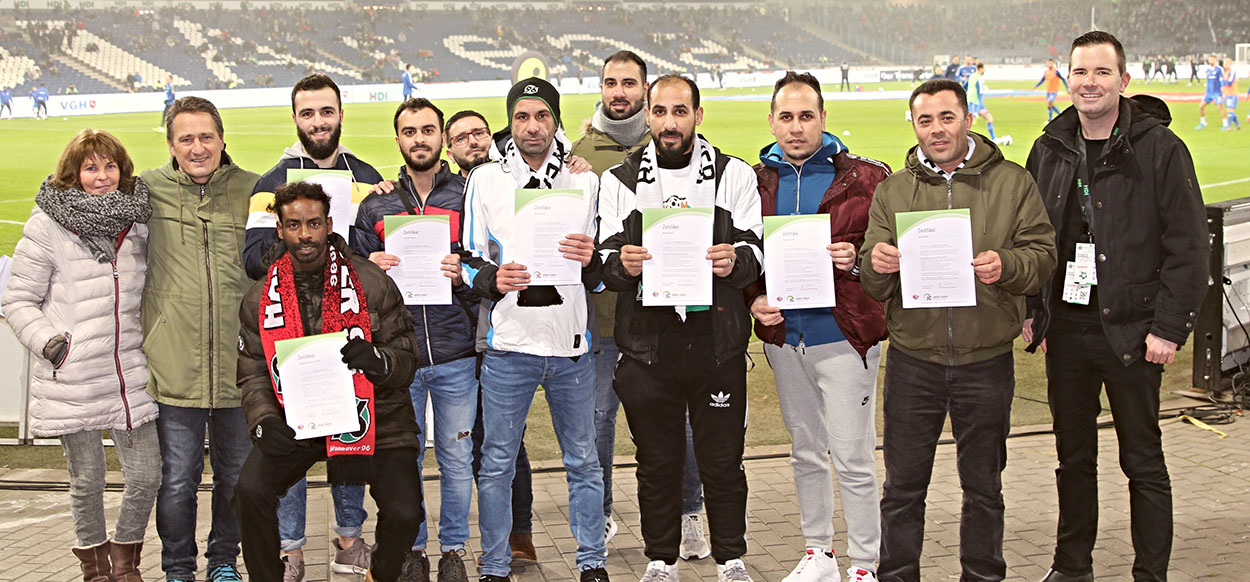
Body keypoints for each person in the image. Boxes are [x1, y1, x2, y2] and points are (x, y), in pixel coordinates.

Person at [1023, 31, 1208, 582]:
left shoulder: (1160, 148)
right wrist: (1037, 311)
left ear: (1123, 81)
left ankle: (1150, 573)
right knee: (1072, 461)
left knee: (1142, 462)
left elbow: (1189, 246)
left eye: (1102, 73)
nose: (1089, 83)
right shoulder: (1049, 146)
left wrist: (1169, 328)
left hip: (1134, 333)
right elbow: (1033, 238)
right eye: (1080, 73)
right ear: (1068, 79)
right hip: (1069, 333)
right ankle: (1071, 566)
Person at [858, 78, 1056, 582]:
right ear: (914, 125)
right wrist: (877, 263)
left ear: (968, 119)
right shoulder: (893, 190)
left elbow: (1043, 256)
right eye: (925, 120)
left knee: (984, 487)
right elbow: (871, 276)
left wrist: (1006, 265)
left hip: (985, 359)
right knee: (902, 488)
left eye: (947, 117)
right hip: (913, 361)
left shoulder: (1012, 182)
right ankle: (898, 575)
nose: (937, 129)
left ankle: (983, 575)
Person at [598, 74, 762, 582]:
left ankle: (731, 557)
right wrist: (623, 265)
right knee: (657, 461)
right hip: (649, 345)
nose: (670, 123)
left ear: (698, 115)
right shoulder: (620, 180)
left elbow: (755, 254)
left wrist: (732, 262)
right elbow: (604, 265)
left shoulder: (733, 174)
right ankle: (660, 558)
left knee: (722, 459)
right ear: (648, 115)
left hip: (716, 340)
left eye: (681, 112)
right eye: (661, 112)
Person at [233, 182, 424, 582]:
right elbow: (252, 369)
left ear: (329, 224)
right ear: (280, 230)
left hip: (377, 414)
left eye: (314, 223)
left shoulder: (371, 281)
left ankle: (382, 573)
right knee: (250, 493)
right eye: (295, 225)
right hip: (298, 417)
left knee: (406, 511)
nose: (306, 234)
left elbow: (407, 358)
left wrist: (377, 360)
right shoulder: (259, 297)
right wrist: (264, 419)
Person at [461, 77, 608, 582]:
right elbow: (464, 259)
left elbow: (603, 263)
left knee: (584, 461)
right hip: (510, 346)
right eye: (521, 116)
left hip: (571, 348)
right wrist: (490, 278)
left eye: (541, 116)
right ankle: (496, 565)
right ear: (511, 123)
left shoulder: (583, 179)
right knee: (497, 462)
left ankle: (592, 563)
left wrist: (592, 263)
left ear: (555, 122)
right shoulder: (484, 180)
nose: (531, 126)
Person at [746, 72, 890, 582]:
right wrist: (753, 299)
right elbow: (748, 259)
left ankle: (866, 564)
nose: (796, 127)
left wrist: (857, 260)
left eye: (806, 116)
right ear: (771, 122)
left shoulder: (868, 178)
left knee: (852, 455)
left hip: (844, 335)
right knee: (805, 449)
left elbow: (889, 255)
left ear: (823, 119)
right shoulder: (756, 181)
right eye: (786, 117)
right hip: (787, 339)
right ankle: (818, 553)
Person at [243, 73, 385, 578]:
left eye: (327, 112)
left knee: (349, 434)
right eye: (308, 113)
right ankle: (291, 547)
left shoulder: (369, 175)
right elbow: (254, 258)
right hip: (293, 334)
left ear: (341, 113)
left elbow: (375, 252)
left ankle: (350, 538)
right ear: (296, 118)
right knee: (293, 439)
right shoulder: (270, 183)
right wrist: (312, 236)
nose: (318, 122)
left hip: (348, 330)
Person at [570, 50, 710, 557]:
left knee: (684, 419)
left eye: (630, 83)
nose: (620, 91)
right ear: (601, 87)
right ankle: (602, 516)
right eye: (611, 82)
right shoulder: (579, 150)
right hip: (605, 318)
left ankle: (689, 511)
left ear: (648, 93)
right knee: (600, 420)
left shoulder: (685, 147)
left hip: (670, 316)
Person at [3, 129, 159, 582]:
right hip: (74, 374)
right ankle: (95, 567)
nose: (102, 176)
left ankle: (126, 561)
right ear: (73, 173)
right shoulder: (46, 224)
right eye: (91, 167)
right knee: (87, 482)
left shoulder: (138, 222)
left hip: (129, 371)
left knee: (147, 474)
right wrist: (53, 345)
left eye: (110, 166)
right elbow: (17, 300)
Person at [351, 98, 478, 582]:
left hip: (454, 351)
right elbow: (352, 279)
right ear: (398, 140)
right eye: (409, 131)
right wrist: (371, 270)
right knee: (405, 460)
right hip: (398, 358)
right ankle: (414, 550)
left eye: (428, 130)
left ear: (442, 138)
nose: (419, 139)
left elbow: (488, 260)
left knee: (456, 457)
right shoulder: (377, 203)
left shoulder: (467, 196)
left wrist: (462, 271)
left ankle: (453, 550)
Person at [141, 96, 261, 582]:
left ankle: (223, 563)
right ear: (171, 144)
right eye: (186, 138)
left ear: (222, 138)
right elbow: (82, 193)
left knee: (235, 479)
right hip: (174, 365)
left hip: (239, 366)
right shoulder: (145, 191)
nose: (197, 147)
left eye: (206, 136)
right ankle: (177, 569)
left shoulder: (255, 190)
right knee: (177, 483)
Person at [442, 108, 543, 563]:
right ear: (450, 148)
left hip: (504, 327)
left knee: (504, 438)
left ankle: (518, 532)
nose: (472, 141)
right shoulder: (442, 193)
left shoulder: (513, 179)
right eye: (460, 137)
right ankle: (466, 540)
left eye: (479, 132)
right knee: (468, 443)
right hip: (454, 334)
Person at [967, 63, 1011, 145]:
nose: (985, 70)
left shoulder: (972, 76)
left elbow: (965, 85)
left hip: (974, 102)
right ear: (981, 69)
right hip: (975, 103)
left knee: (989, 118)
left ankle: (994, 138)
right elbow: (979, 93)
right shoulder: (979, 78)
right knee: (971, 123)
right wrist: (976, 109)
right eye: (984, 68)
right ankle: (965, 140)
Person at [1196, 55, 1223, 130]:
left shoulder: (1219, 70)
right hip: (1208, 93)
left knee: (1220, 107)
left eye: (1212, 59)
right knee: (1201, 106)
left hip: (1216, 92)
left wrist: (1222, 90)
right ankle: (1203, 122)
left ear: (1215, 60)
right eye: (1209, 59)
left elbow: (1221, 80)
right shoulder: (1208, 70)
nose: (1210, 61)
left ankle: (1225, 124)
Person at [1221, 60, 1240, 131]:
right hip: (1227, 93)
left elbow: (1229, 82)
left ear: (1230, 64)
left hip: (1232, 93)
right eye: (1224, 63)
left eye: (1227, 63)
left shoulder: (1232, 72)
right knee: (1230, 110)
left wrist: (1222, 81)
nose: (1225, 65)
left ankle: (1229, 126)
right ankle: (1238, 125)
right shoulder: (1225, 72)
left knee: (1230, 110)